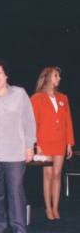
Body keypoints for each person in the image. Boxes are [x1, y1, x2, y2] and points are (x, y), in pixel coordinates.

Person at [0, 59, 36, 233]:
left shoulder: (19, 93)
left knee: (15, 192)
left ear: (6, 75)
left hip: (15, 153)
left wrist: (30, 146)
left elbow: (29, 121)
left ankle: (19, 229)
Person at [31, 66, 75, 220]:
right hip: (44, 142)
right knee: (48, 175)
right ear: (48, 77)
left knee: (57, 175)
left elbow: (68, 121)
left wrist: (69, 143)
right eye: (56, 76)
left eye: (59, 76)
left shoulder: (63, 98)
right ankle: (48, 208)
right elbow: (33, 123)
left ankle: (56, 208)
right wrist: (36, 144)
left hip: (60, 142)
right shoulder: (37, 98)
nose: (59, 79)